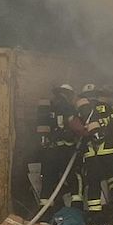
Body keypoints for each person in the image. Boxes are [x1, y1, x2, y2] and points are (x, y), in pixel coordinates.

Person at [77, 83, 113, 221]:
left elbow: (76, 134)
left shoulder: (80, 114)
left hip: (91, 155)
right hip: (109, 151)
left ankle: (95, 215)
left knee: (94, 183)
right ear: (97, 95)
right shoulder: (107, 108)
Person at [36, 84, 85, 214]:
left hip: (49, 151)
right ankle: (77, 211)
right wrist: (85, 132)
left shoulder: (48, 107)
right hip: (65, 150)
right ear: (68, 94)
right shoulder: (66, 105)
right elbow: (75, 125)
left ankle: (45, 215)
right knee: (75, 178)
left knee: (48, 180)